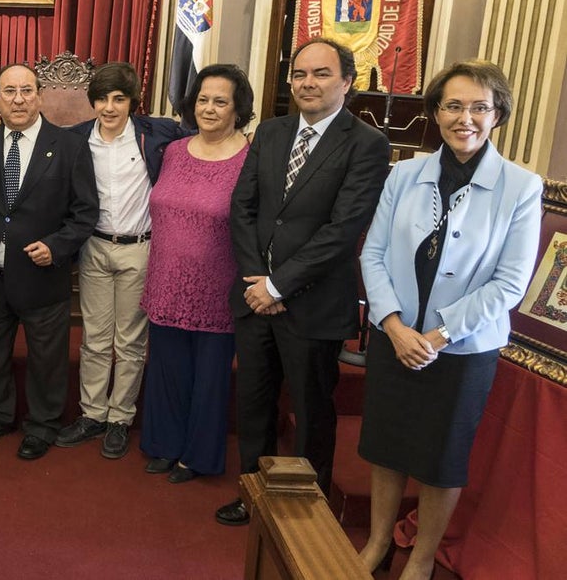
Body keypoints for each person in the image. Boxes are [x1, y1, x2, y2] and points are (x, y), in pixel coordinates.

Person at [356, 61, 541, 580]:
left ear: (497, 114)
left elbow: (509, 284)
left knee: (442, 459)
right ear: (435, 112)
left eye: (479, 107)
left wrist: (436, 337)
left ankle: (420, 559)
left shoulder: (520, 187)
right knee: (385, 446)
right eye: (454, 105)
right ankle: (375, 544)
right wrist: (394, 326)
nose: (466, 118)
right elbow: (372, 254)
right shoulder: (404, 173)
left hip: (461, 350)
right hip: (395, 338)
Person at [216, 38, 390, 527]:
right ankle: (252, 493)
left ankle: (304, 512)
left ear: (347, 82)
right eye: (299, 74)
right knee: (253, 402)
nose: (308, 83)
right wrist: (258, 280)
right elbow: (242, 207)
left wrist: (277, 286)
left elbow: (344, 230)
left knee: (313, 412)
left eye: (320, 74)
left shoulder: (367, 144)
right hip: (254, 296)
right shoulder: (270, 133)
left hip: (313, 306)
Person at [0, 64, 99, 461]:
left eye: (26, 91)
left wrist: (57, 246)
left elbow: (85, 213)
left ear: (40, 96)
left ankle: (42, 425)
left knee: (47, 359)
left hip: (43, 275)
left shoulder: (70, 146)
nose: (18, 99)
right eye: (9, 92)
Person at [55, 62, 184, 459]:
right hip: (94, 247)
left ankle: (119, 419)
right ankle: (92, 414)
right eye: (102, 99)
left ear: (132, 101)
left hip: (140, 249)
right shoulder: (75, 139)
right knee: (95, 338)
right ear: (92, 101)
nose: (109, 108)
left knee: (129, 340)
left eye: (119, 99)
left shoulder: (158, 134)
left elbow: (205, 140)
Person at [139, 65, 253, 483]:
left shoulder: (250, 158)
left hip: (218, 287)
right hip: (166, 279)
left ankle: (198, 456)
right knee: (167, 369)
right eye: (203, 99)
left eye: (220, 101)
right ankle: (164, 444)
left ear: (238, 108)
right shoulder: (173, 151)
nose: (209, 108)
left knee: (209, 379)